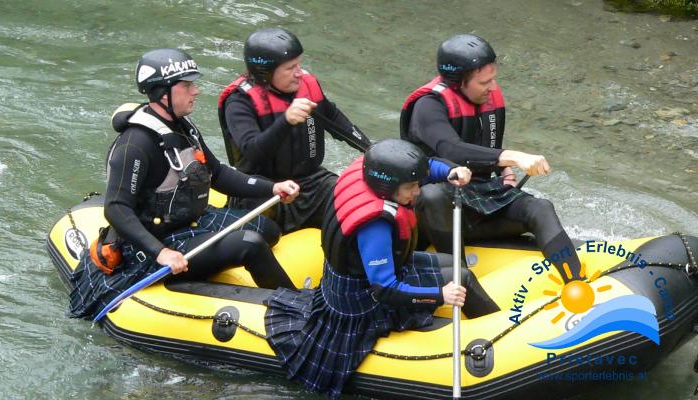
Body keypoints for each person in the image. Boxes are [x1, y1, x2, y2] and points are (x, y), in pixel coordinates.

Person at [68, 48, 301, 320]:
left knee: (268, 229)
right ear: (162, 92)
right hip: (151, 244)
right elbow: (117, 208)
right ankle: (298, 310)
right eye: (187, 85)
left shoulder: (183, 127)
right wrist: (162, 253)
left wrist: (271, 188)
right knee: (250, 243)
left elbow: (219, 174)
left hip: (187, 224)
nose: (196, 91)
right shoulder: (135, 145)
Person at [263, 139, 499, 399]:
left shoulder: (370, 173)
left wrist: (448, 171)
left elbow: (420, 169)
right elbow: (385, 289)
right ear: (387, 188)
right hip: (361, 300)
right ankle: (501, 339)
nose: (418, 192)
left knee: (450, 263)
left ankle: (495, 326)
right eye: (411, 187)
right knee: (460, 276)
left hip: (364, 276)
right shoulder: (375, 225)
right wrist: (440, 295)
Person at [400, 34, 584, 282]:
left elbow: (486, 147)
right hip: (436, 212)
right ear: (458, 82)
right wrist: (513, 157)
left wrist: (503, 171)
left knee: (540, 207)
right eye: (485, 82)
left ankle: (576, 282)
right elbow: (452, 149)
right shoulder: (428, 106)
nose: (493, 87)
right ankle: (460, 279)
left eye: (493, 79)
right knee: (434, 195)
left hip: (478, 197)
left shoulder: (486, 98)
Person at [218, 28, 372, 233]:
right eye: (290, 67)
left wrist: (370, 150)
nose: (299, 72)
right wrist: (286, 121)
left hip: (312, 183)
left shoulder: (307, 84)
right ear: (266, 73)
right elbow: (252, 152)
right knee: (261, 227)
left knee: (355, 205)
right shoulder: (239, 102)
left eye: (299, 64)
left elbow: (335, 119)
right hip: (262, 188)